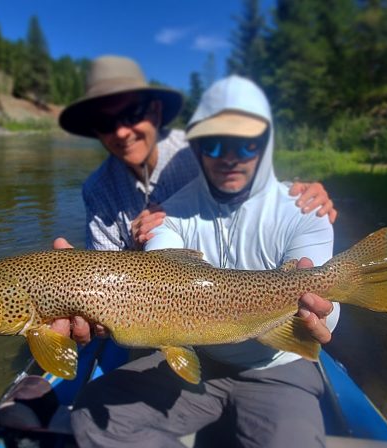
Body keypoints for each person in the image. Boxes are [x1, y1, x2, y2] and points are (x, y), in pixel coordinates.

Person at [68, 75, 339, 448]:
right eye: (213, 145)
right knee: (90, 415)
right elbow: (155, 269)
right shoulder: (168, 216)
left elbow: (326, 302)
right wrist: (77, 282)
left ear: (266, 143)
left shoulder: (305, 209)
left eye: (245, 144)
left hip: (278, 369)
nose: (228, 157)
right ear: (196, 149)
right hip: (199, 363)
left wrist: (323, 317)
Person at [55, 54, 337, 342]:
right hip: (142, 313)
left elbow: (249, 175)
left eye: (132, 114)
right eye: (105, 122)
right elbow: (105, 280)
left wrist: (293, 193)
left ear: (154, 111)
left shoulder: (198, 149)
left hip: (216, 302)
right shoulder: (97, 189)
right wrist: (70, 281)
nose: (122, 131)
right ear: (94, 128)